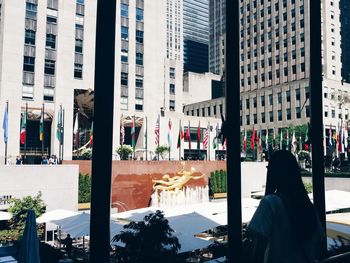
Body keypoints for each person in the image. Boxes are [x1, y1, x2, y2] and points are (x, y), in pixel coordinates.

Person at [248, 150, 325, 263]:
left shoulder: (270, 203)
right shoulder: (307, 206)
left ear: (274, 173)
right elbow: (319, 244)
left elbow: (259, 251)